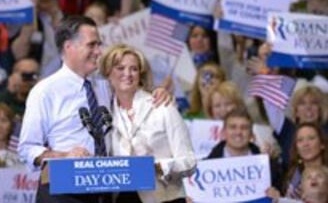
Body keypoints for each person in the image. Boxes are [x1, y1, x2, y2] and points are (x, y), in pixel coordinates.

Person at [18, 16, 170, 203]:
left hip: (104, 190)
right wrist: (64, 156)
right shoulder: (45, 91)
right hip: (62, 193)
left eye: (99, 44)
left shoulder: (105, 84)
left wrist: (157, 93)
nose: (99, 51)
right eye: (92, 45)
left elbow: (136, 99)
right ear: (69, 47)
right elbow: (27, 148)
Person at [99, 44, 196, 203]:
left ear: (140, 74)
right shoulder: (106, 113)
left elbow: (189, 161)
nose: (127, 74)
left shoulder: (162, 106)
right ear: (108, 73)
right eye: (120, 68)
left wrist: (158, 167)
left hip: (165, 197)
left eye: (134, 69)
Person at [207, 108, 282, 189]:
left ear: (251, 134)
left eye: (244, 128)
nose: (238, 132)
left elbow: (279, 191)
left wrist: (275, 196)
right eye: (233, 127)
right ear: (223, 132)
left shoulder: (269, 166)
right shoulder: (206, 167)